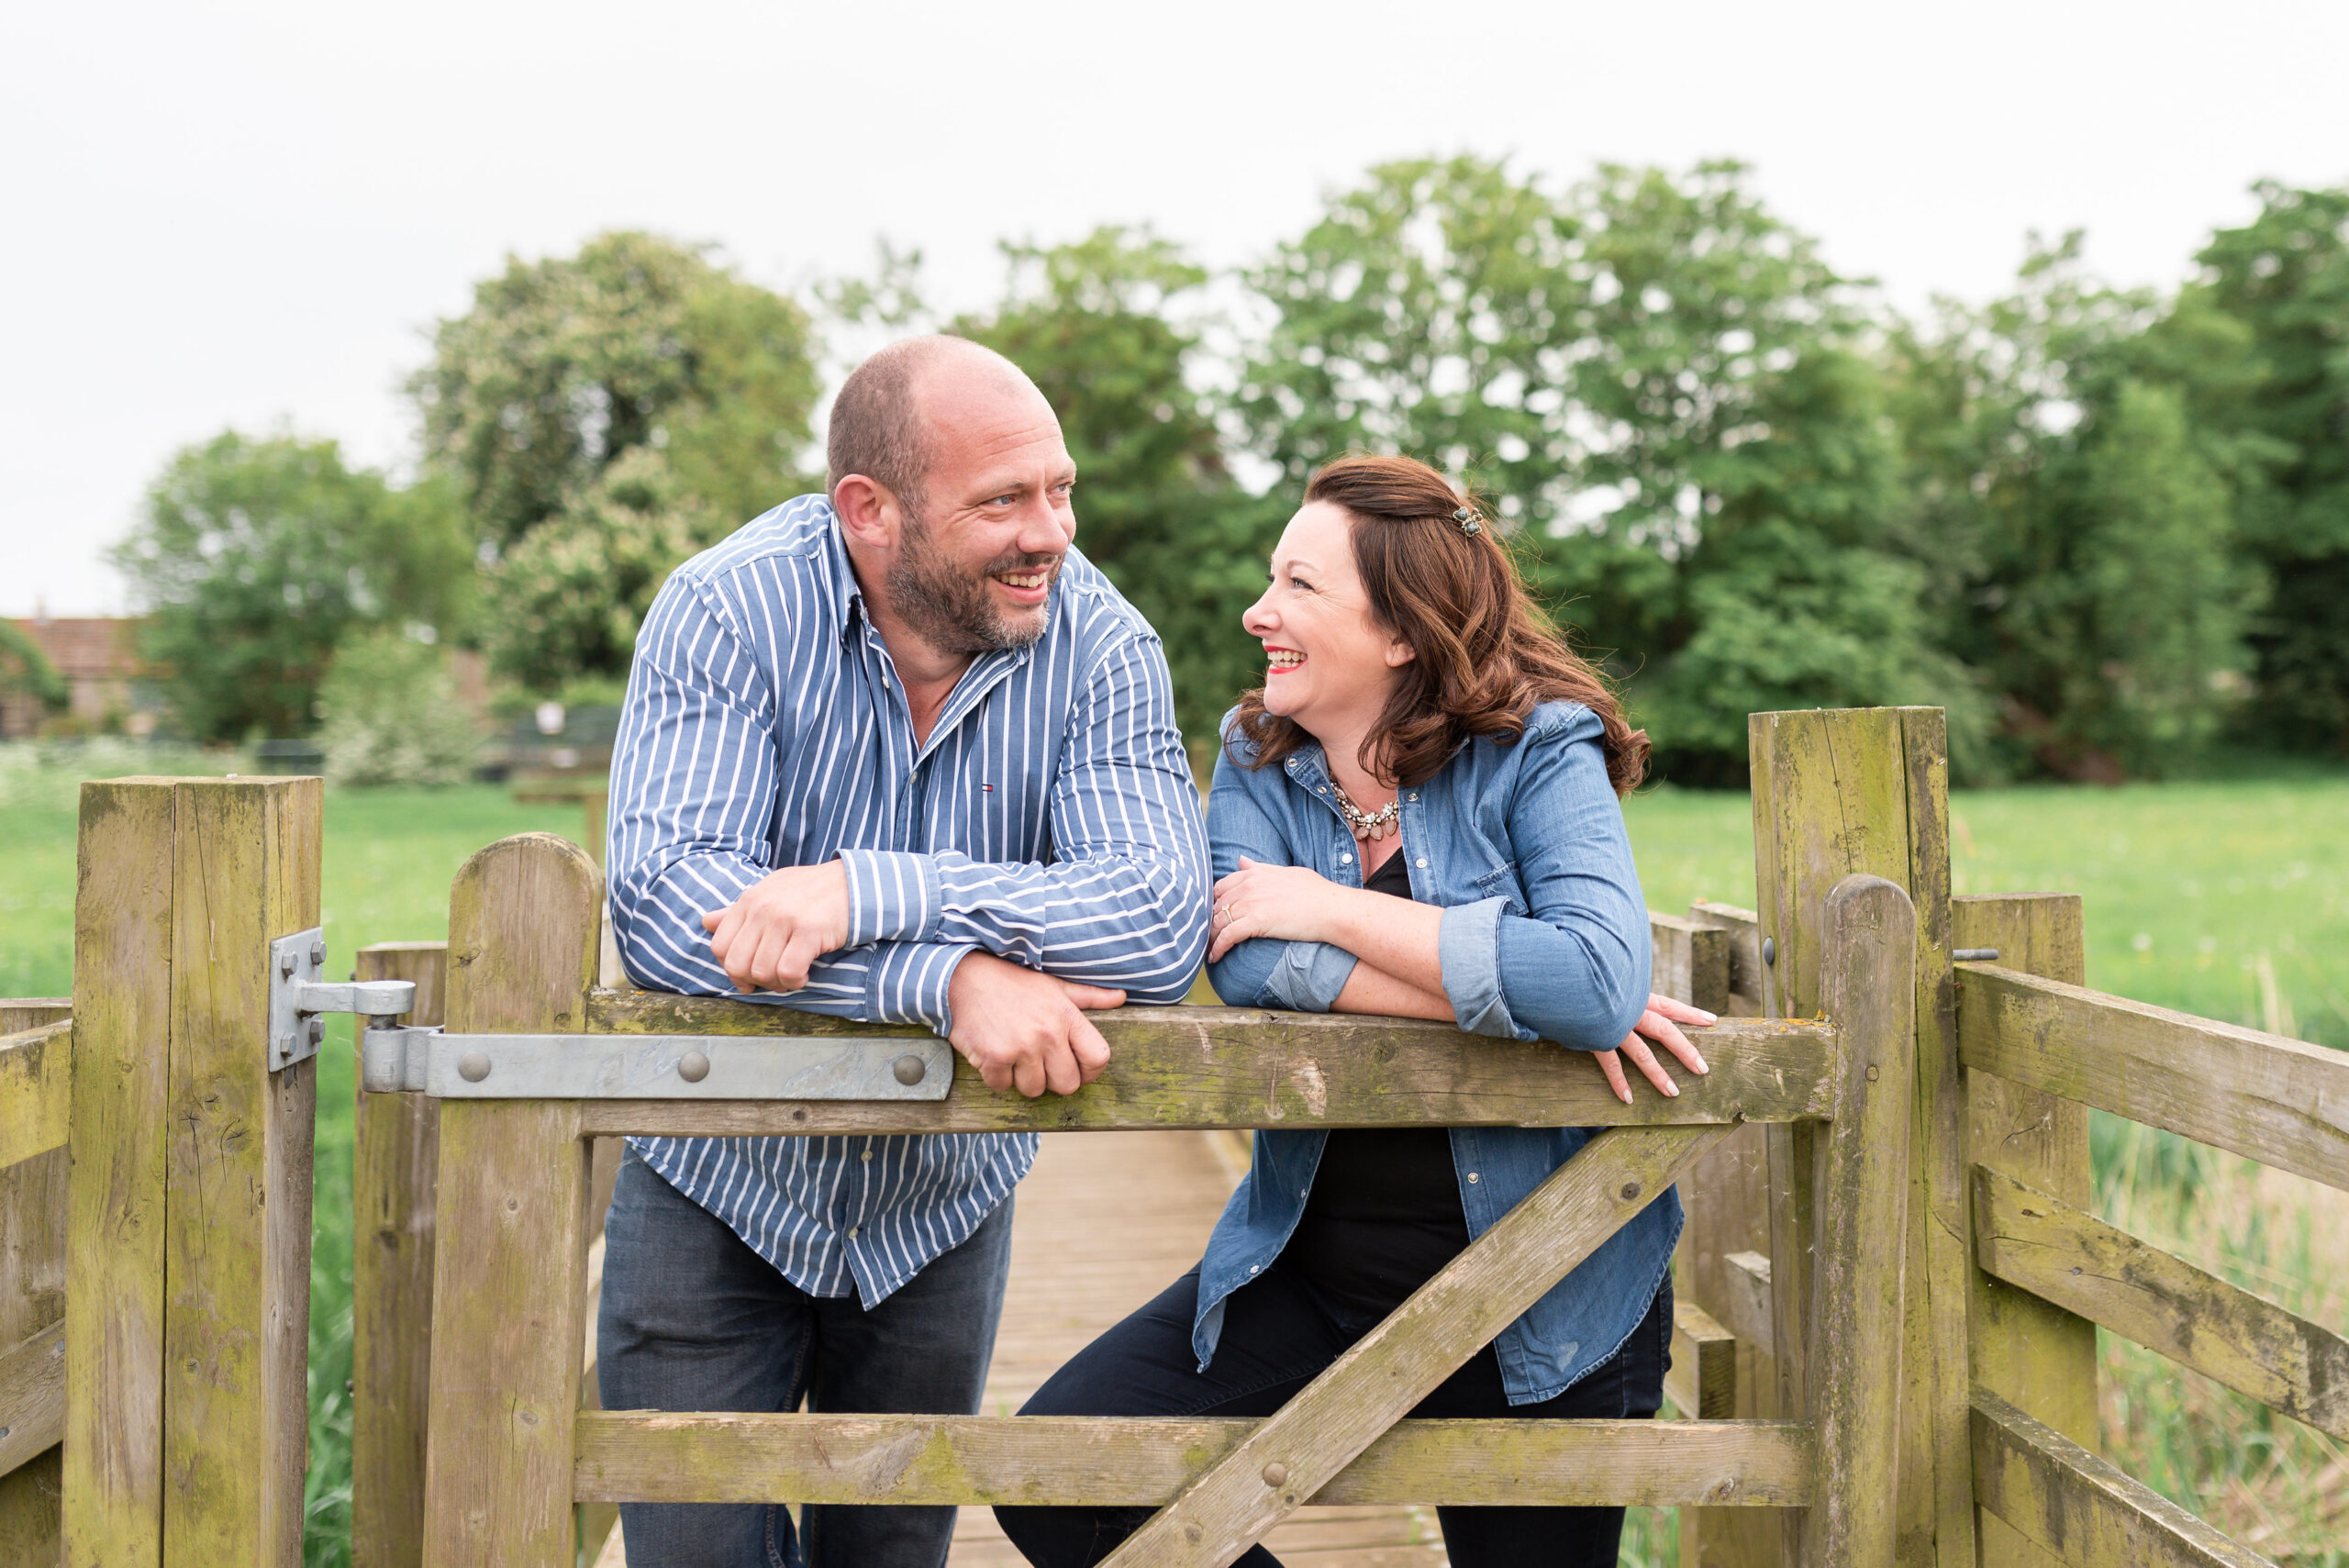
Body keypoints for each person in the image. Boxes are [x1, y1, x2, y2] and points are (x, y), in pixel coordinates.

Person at [997, 453, 1713, 1568]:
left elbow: (1594, 980)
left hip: (1543, 1285)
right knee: (1057, 1474)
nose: (1257, 610)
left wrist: (1328, 906)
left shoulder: (1540, 748)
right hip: (1311, 1269)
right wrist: (1521, 996)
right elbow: (1244, 963)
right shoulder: (1258, 754)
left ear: (1398, 633)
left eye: (1298, 585)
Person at [597, 335, 1213, 1568]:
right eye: (1003, 500)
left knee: (888, 1552)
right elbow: (670, 903)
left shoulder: (1103, 644)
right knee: (693, 1555)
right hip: (718, 1175)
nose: (1051, 531)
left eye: (1060, 488)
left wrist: (873, 890)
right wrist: (946, 978)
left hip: (942, 1192)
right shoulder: (725, 608)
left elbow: (1154, 917)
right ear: (869, 513)